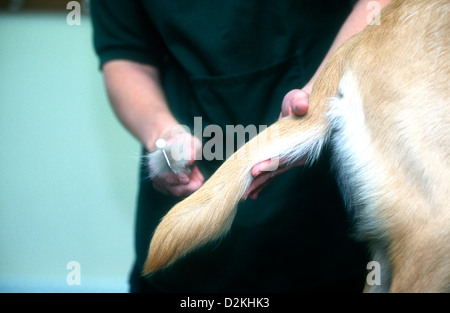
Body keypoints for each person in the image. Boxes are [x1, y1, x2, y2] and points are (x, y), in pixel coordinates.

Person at [91, 0, 390, 292]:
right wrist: (162, 131)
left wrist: (317, 97)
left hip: (320, 216)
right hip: (185, 259)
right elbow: (126, 55)